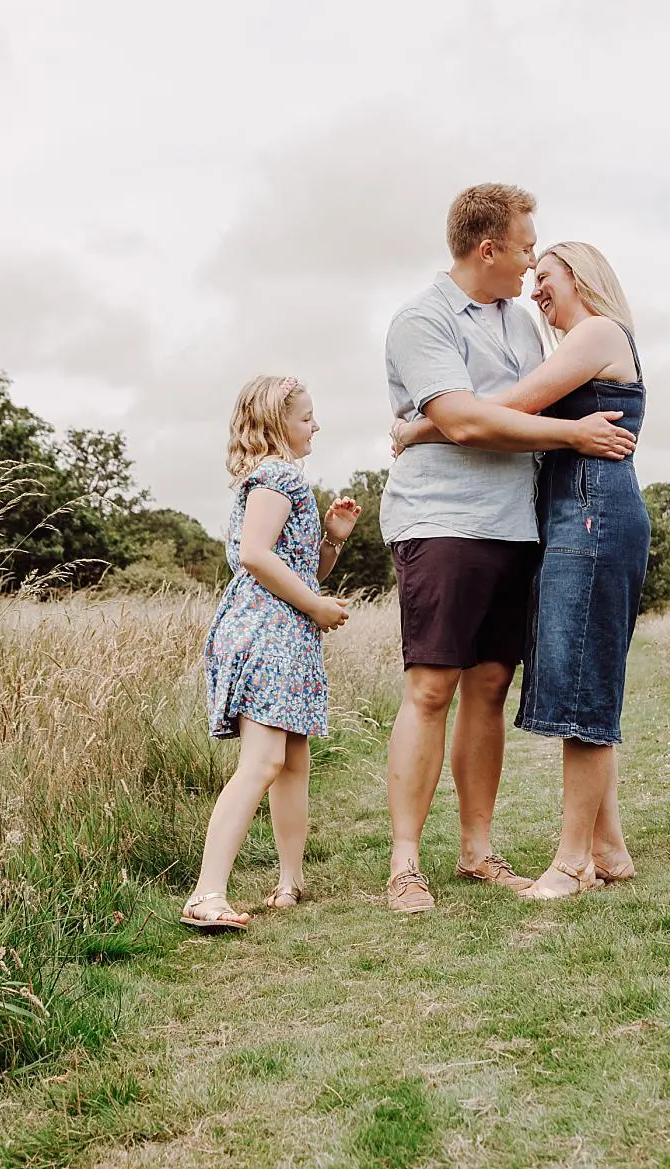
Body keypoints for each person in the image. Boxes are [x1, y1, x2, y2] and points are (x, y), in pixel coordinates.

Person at [380, 183, 637, 913]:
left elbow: (522, 399)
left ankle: (477, 849)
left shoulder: (523, 325)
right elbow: (463, 420)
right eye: (526, 247)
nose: (531, 262)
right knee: (431, 687)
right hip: (444, 519)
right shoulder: (421, 319)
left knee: (488, 687)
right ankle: (404, 863)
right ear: (488, 248)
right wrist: (569, 435)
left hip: (518, 525)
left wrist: (416, 427)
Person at [183, 375, 363, 929]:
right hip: (267, 632)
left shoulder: (280, 480)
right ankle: (206, 893)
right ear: (276, 423)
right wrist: (315, 606)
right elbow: (256, 555)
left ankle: (291, 881)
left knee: (292, 764)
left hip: (285, 632)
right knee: (262, 763)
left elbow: (299, 566)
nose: (316, 426)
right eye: (307, 417)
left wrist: (331, 538)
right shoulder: (277, 476)